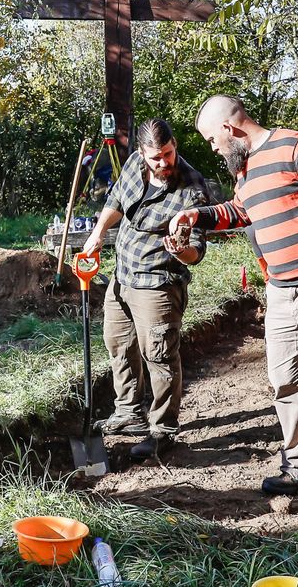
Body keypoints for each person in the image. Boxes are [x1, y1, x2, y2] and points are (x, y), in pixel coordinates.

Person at [169, 95, 298, 527]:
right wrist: (198, 215)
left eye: (211, 140)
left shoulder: (295, 147)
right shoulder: (245, 169)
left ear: (230, 128)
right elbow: (244, 212)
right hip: (279, 290)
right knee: (286, 381)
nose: (212, 149)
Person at [81, 119, 209, 460]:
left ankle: (163, 430)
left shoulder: (191, 188)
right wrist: (97, 234)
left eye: (167, 154)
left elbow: (196, 251)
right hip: (122, 276)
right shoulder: (136, 165)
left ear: (175, 145)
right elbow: (116, 200)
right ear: (142, 153)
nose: (163, 163)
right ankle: (128, 412)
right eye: (155, 157)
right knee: (119, 344)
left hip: (158, 283)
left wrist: (181, 250)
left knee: (160, 356)